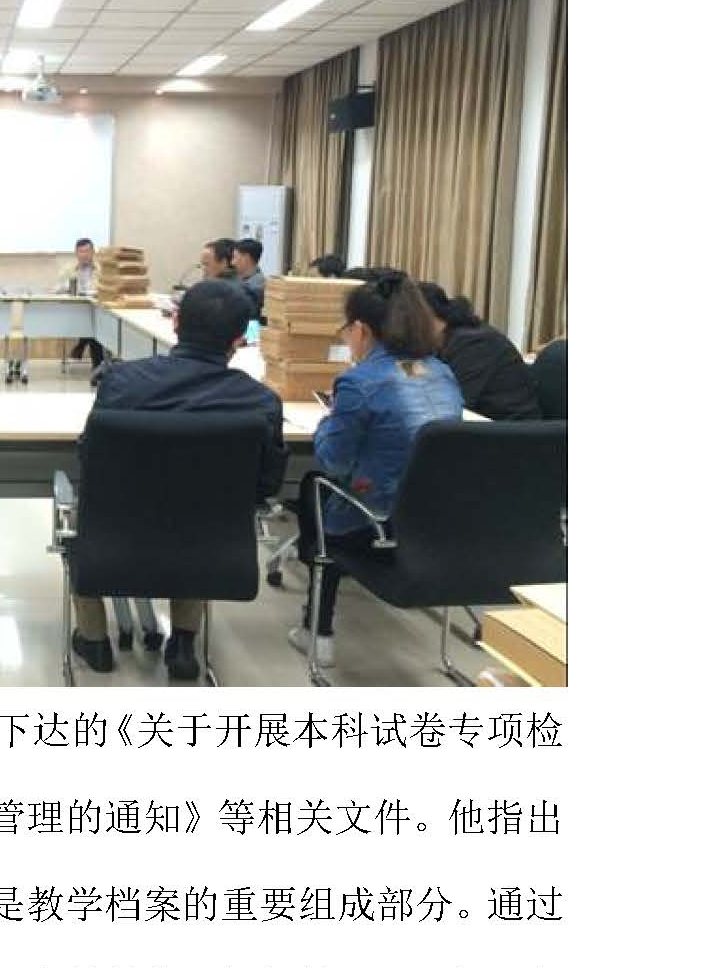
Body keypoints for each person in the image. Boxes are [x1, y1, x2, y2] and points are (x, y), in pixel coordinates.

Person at [70, 277, 284, 683]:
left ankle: (94, 641)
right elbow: (268, 485)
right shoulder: (260, 403)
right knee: (198, 509)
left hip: (114, 540)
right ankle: (184, 642)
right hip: (210, 548)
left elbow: (89, 458)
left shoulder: (121, 382)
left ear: (176, 323)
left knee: (86, 512)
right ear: (239, 340)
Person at [285, 271, 464, 671]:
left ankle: (319, 630)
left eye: (346, 330)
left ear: (362, 330)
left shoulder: (358, 382)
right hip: (433, 524)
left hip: (373, 520)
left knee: (315, 486)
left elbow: (334, 460)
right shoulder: (443, 373)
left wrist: (328, 422)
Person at [418, 282, 541, 421]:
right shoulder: (442, 341)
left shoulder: (474, 343)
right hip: (479, 424)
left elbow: (445, 407)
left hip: (511, 429)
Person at [57, 235, 108, 377]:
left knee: (94, 327)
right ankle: (96, 364)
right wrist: (67, 287)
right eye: (81, 251)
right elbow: (58, 288)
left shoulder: (102, 269)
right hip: (73, 311)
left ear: (93, 252)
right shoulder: (68, 269)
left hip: (96, 309)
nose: (84, 255)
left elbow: (107, 287)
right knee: (93, 328)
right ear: (76, 253)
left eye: (87, 251)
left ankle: (81, 347)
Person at [230, 238, 266, 316]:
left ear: (246, 258)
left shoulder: (255, 287)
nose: (232, 262)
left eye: (235, 257)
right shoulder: (238, 278)